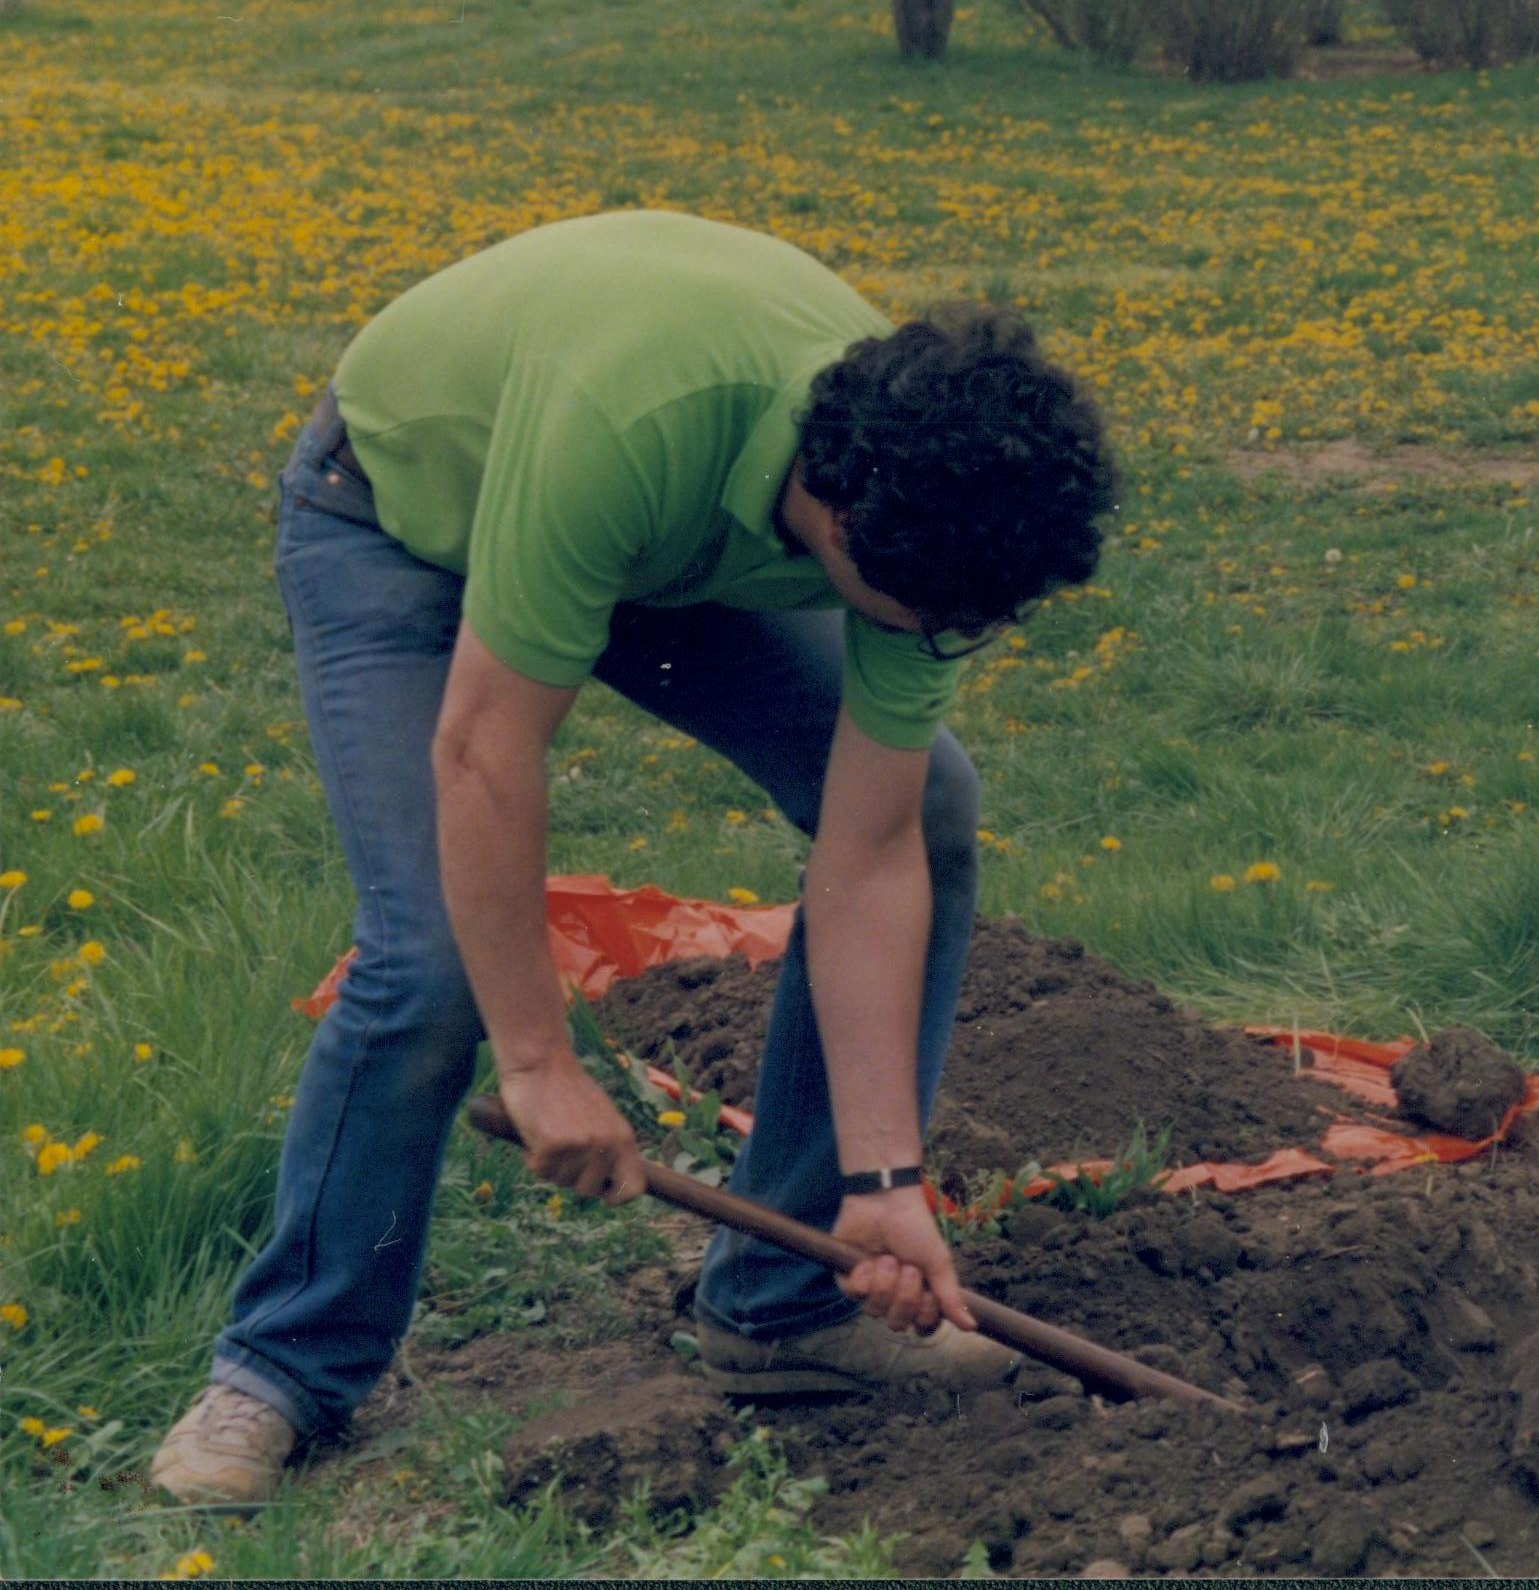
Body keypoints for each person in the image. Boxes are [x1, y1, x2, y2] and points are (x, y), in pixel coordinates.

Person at [151, 213, 1118, 1507]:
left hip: (670, 550)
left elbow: (871, 847)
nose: (954, 639)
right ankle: (279, 1369)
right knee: (435, 962)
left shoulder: (931, 518)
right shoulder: (636, 426)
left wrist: (885, 1180)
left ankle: (782, 1307)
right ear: (835, 522)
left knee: (929, 799)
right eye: (935, 618)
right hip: (400, 513)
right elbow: (486, 755)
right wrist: (541, 1064)